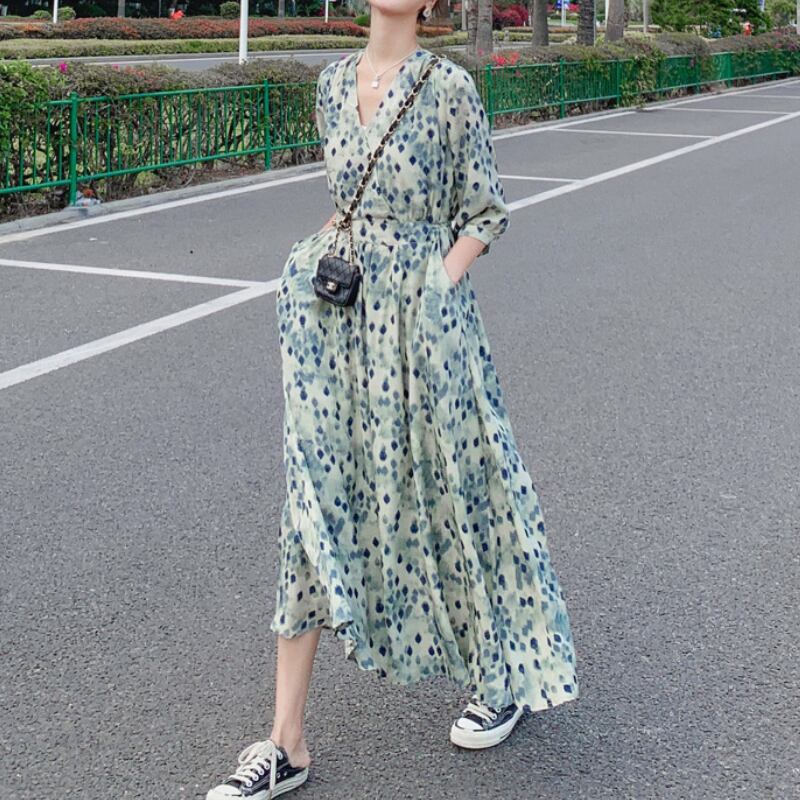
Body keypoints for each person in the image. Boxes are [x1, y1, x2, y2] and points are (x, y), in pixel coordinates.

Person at [206, 2, 579, 797]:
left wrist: (436, 286)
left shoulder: (449, 88)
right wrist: (305, 263)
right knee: (314, 502)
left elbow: (484, 212)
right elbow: (350, 203)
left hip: (425, 325)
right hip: (338, 324)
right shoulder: (331, 85)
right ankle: (286, 742)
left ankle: (503, 673)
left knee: (458, 490)